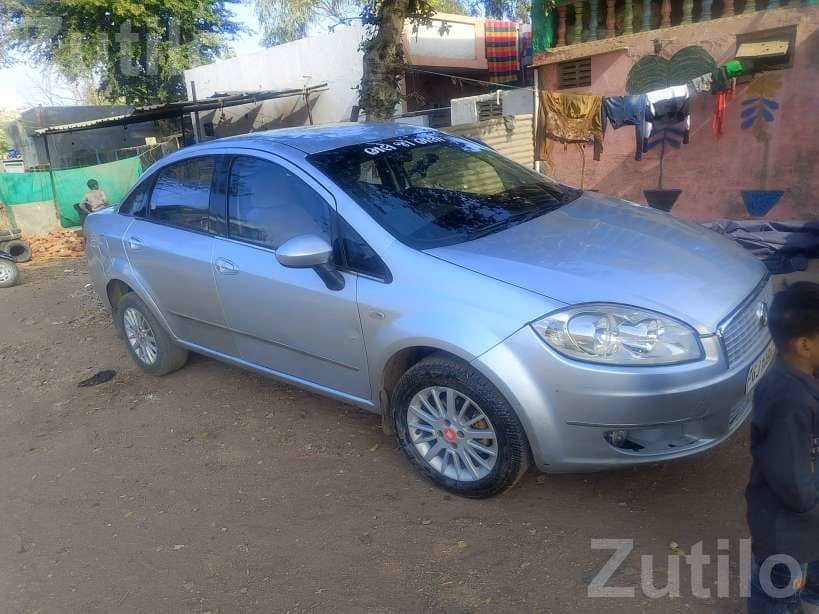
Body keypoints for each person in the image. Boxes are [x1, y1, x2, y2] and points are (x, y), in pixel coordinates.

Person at [746, 282, 819, 613]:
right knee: (778, 595)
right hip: (786, 529)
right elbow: (793, 483)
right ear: (804, 344)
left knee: (797, 584)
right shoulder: (789, 401)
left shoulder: (803, 378)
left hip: (802, 526)